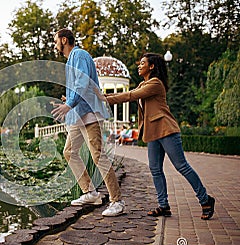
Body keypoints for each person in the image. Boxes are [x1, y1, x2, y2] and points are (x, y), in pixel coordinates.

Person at [104, 53, 215, 220]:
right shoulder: (143, 84)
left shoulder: (156, 83)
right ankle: (163, 206)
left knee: (181, 166)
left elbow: (129, 96)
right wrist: (101, 98)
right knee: (155, 169)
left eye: (143, 63)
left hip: (166, 129)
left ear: (152, 66)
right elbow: (130, 94)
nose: (139, 65)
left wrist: (103, 99)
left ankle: (205, 199)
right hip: (152, 132)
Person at [51, 28, 125, 216]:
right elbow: (77, 88)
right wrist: (67, 101)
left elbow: (82, 84)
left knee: (98, 155)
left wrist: (69, 104)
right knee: (69, 152)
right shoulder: (71, 60)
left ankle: (117, 201)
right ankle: (90, 192)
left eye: (56, 41)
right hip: (78, 116)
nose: (54, 44)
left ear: (64, 40)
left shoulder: (79, 55)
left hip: (89, 115)